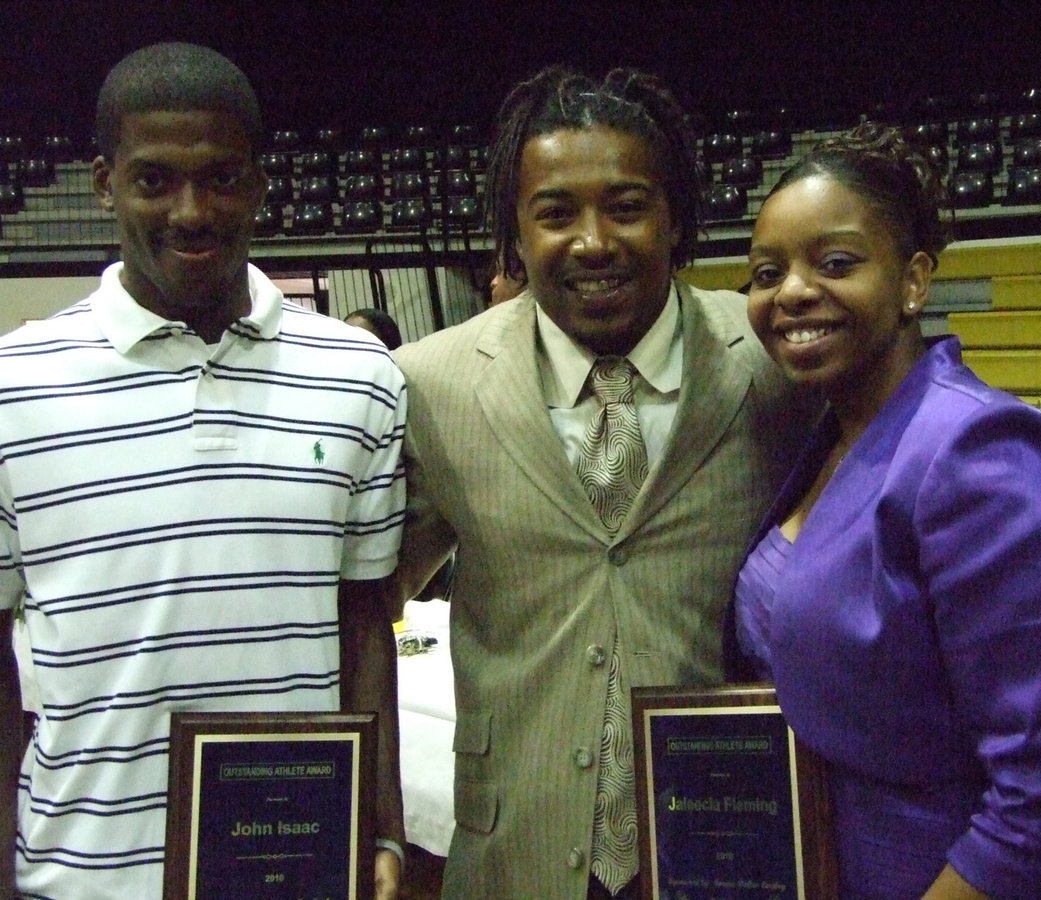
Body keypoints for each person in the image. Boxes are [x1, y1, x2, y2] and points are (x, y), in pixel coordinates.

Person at [392, 66, 812, 899]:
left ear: (676, 216)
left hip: (727, 841)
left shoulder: (774, 365)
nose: (593, 241)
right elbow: (370, 601)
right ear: (515, 230)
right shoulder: (431, 384)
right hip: (513, 844)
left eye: (626, 206)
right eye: (555, 213)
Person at [0, 43, 407, 900]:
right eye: (155, 180)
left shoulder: (358, 377)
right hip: (80, 875)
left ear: (260, 184)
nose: (191, 211)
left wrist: (381, 826)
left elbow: (364, 622)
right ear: (105, 182)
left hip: (294, 865)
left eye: (221, 177)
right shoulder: (14, 386)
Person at [730, 123, 1041, 899]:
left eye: (835, 262)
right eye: (767, 272)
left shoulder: (978, 451)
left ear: (913, 281)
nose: (794, 290)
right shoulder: (829, 438)